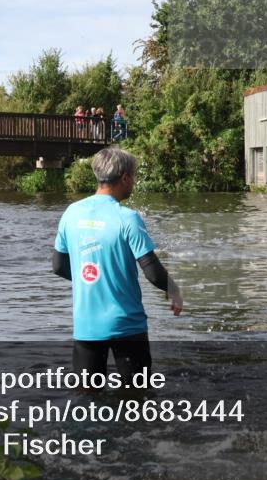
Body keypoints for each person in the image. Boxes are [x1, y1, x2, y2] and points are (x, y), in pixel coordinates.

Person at [51, 148, 183, 386]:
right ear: (124, 178)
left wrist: (90, 278)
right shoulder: (127, 217)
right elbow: (152, 271)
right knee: (137, 397)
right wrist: (173, 289)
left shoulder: (71, 213)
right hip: (127, 325)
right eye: (133, 176)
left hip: (86, 325)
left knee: (87, 400)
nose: (133, 182)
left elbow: (58, 266)